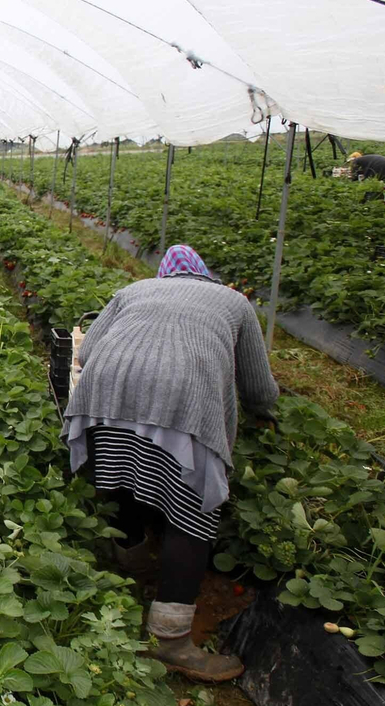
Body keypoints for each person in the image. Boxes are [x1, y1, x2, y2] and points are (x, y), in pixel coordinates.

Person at [62, 244, 279, 682]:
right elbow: (259, 387)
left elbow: (85, 354)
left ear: (164, 276)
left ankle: (131, 563)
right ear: (204, 275)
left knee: (117, 471)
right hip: (184, 397)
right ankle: (172, 641)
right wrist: (266, 413)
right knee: (191, 510)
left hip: (108, 387)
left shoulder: (135, 290)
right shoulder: (234, 301)